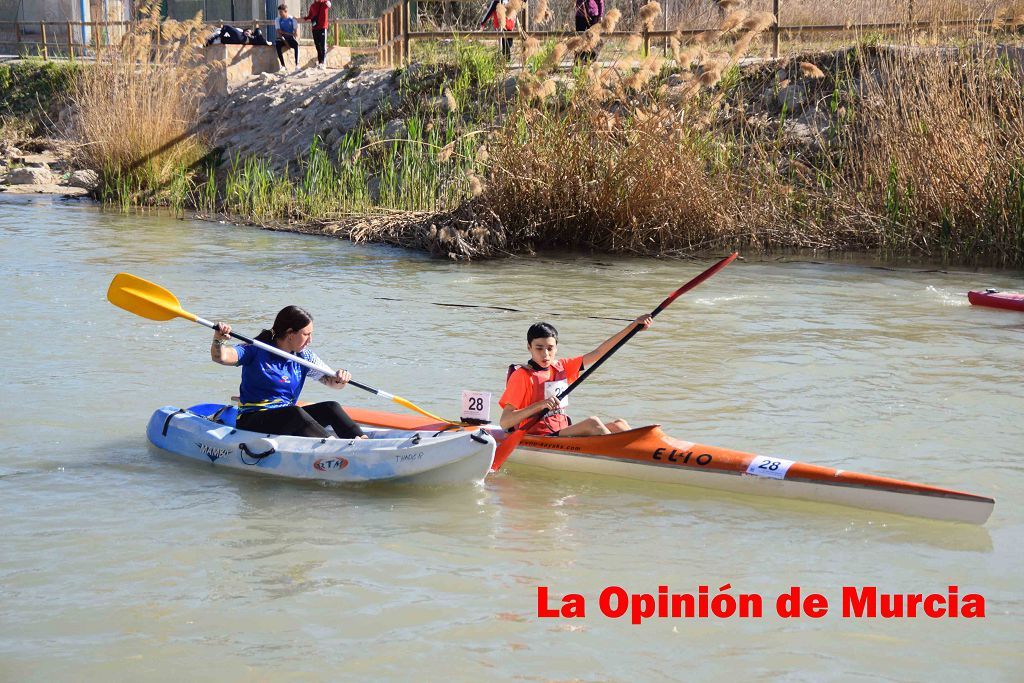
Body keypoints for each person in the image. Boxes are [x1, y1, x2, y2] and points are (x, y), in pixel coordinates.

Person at [210, 305, 367, 439]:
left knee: (331, 407)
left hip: (286, 417)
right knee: (294, 412)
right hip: (253, 419)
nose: (310, 340)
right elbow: (221, 357)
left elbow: (333, 383)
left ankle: (361, 441)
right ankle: (334, 446)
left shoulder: (305, 357)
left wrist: (341, 377)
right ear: (290, 333)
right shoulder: (255, 349)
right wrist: (219, 339)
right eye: (306, 334)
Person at [498, 317, 652, 437]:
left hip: (561, 431)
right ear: (529, 348)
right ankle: (622, 460)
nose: (545, 354)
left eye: (550, 348)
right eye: (539, 348)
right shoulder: (522, 376)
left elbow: (599, 353)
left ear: (556, 348)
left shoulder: (562, 367)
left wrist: (633, 327)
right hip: (538, 436)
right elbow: (505, 421)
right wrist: (540, 405)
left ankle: (647, 455)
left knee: (620, 424)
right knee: (593, 423)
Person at [302, 0, 332, 70]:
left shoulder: (324, 3)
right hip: (314, 28)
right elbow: (310, 16)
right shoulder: (312, 6)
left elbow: (329, 5)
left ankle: (323, 63)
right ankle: (320, 62)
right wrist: (303, 18)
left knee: (323, 45)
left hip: (322, 27)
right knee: (317, 46)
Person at [274, 3, 300, 70]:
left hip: (291, 39)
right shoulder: (277, 20)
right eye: (279, 12)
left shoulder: (292, 19)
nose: (280, 14)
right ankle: (283, 65)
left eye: (281, 12)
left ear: (286, 11)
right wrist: (286, 40)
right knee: (277, 44)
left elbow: (296, 33)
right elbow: (279, 33)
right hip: (283, 39)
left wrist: (286, 33)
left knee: (296, 45)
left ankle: (297, 65)